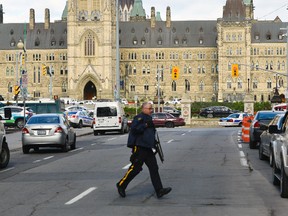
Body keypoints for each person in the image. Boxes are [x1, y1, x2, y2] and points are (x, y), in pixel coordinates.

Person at [116, 102, 171, 198]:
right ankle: (121, 185)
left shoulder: (148, 118)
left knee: (154, 168)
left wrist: (154, 144)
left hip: (148, 148)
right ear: (144, 109)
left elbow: (149, 133)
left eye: (151, 108)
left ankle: (159, 190)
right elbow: (134, 129)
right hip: (140, 147)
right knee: (135, 169)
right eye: (149, 108)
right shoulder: (139, 117)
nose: (151, 110)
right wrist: (145, 125)